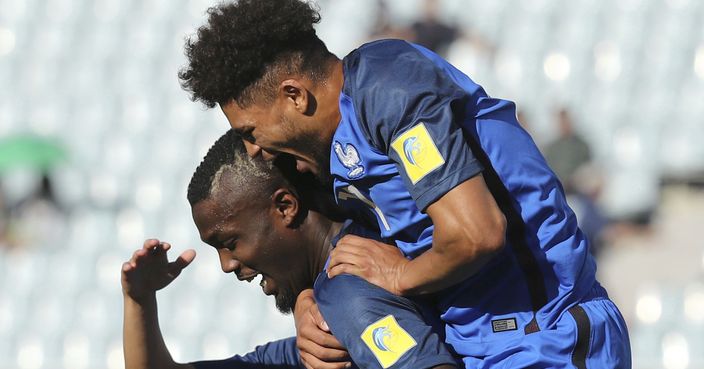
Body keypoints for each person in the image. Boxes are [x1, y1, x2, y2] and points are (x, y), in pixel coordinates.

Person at [178, 1, 632, 368]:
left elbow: (477, 233)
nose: (254, 151)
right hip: (477, 348)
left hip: (548, 334)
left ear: (294, 96)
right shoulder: (328, 156)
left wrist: (399, 273)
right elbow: (326, 250)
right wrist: (308, 303)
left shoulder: (387, 86)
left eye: (250, 133)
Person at [122, 130, 458, 369]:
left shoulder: (347, 291)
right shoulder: (321, 331)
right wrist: (139, 299)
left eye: (230, 243)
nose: (227, 265)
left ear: (285, 206)